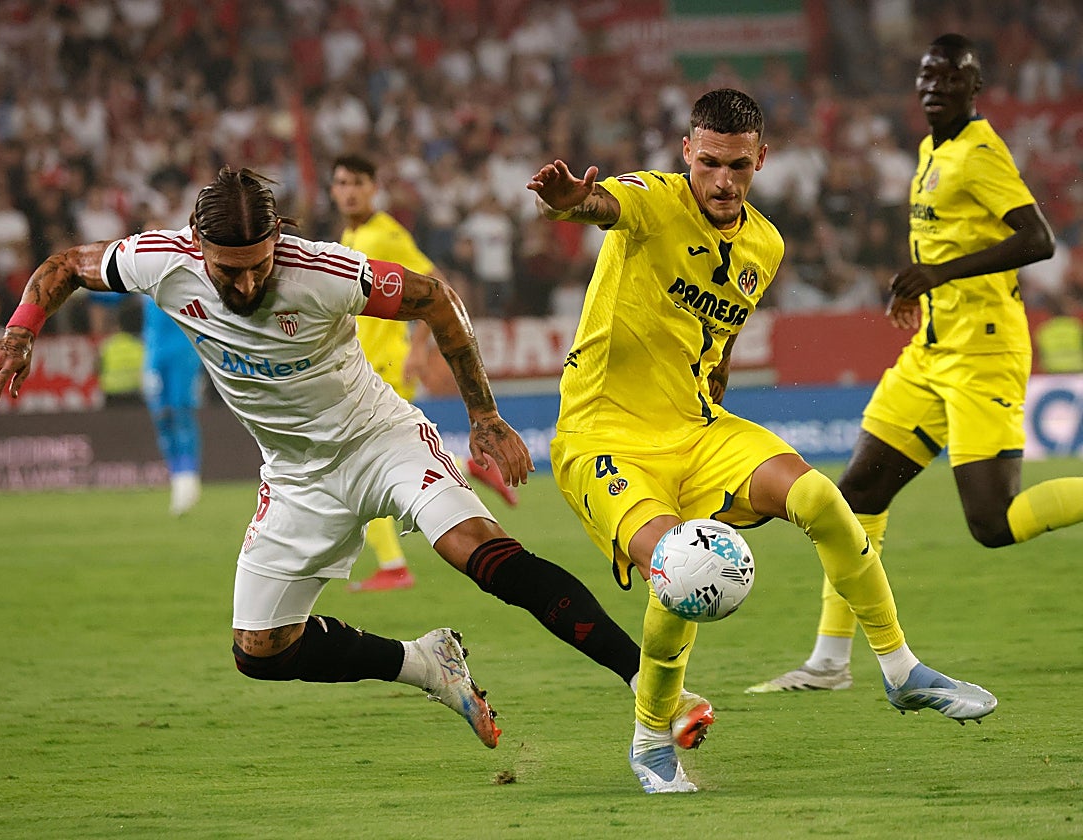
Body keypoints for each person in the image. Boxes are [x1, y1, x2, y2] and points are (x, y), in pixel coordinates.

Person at [0, 165, 668, 760]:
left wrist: (483, 416)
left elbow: (436, 299)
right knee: (260, 650)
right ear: (198, 249)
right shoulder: (160, 261)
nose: (243, 287)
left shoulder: (325, 271)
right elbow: (64, 265)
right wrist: (17, 335)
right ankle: (425, 664)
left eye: (257, 267)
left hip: (379, 441)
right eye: (226, 272)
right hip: (296, 476)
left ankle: (648, 682)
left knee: (476, 551)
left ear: (278, 242)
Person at [527, 88, 997, 795]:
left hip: (694, 425)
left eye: (738, 167)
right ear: (687, 152)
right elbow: (601, 206)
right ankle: (652, 741)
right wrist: (568, 202)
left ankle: (901, 672)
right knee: (678, 569)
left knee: (819, 496)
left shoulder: (764, 245)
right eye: (709, 163)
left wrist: (715, 385)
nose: (722, 181)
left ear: (761, 160)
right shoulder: (653, 200)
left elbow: (722, 337)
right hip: (604, 436)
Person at [747, 35, 1083, 695]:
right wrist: (917, 290)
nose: (934, 87)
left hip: (984, 351)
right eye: (927, 76)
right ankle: (829, 661)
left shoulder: (980, 153)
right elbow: (943, 241)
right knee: (857, 496)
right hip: (932, 348)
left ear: (974, 86)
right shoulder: (933, 150)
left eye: (950, 77)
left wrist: (936, 273)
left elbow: (1037, 238)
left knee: (993, 523)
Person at [329, 153, 517, 593]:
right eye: (341, 183)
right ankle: (468, 468)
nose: (349, 190)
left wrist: (418, 345)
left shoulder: (388, 234)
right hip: (362, 365)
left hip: (384, 365)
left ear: (374, 187)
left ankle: (394, 564)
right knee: (375, 462)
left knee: (360, 464)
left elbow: (437, 287)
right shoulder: (351, 234)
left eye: (357, 182)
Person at [142, 297, 205, 516]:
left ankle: (188, 479)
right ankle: (177, 476)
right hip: (154, 352)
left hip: (183, 350)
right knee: (161, 417)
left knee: (181, 413)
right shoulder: (141, 270)